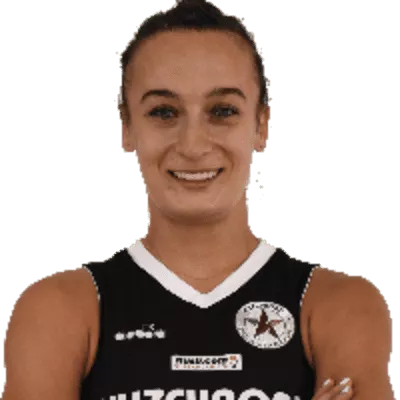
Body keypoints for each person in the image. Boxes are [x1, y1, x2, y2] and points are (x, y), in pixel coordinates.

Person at [1, 0, 394, 399]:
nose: (192, 145)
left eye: (222, 111)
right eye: (163, 112)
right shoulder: (59, 309)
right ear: (127, 127)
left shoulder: (336, 305)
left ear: (261, 124)